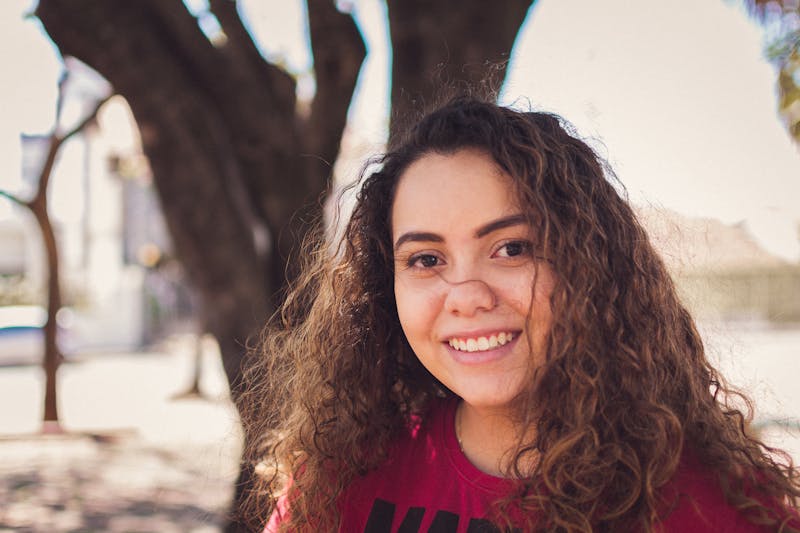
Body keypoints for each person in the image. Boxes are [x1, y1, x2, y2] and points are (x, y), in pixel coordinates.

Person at [237, 96, 800, 532]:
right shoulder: (339, 480)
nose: (467, 295)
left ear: (588, 265)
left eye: (512, 248)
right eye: (426, 259)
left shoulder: (712, 506)